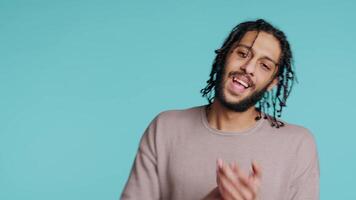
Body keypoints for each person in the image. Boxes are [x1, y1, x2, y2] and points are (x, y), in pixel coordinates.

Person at [120, 19, 319, 200]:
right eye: (243, 53)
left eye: (264, 66)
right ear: (224, 55)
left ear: (272, 83)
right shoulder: (165, 128)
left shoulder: (298, 144)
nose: (248, 67)